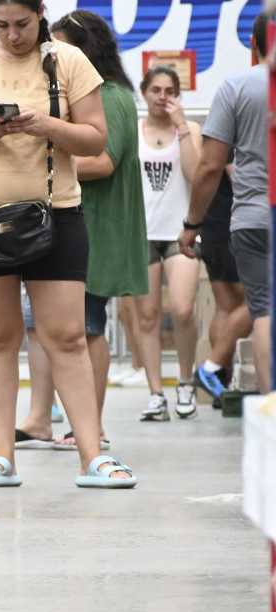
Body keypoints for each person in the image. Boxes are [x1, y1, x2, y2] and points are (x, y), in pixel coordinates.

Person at [0, 0, 136, 488]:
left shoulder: (68, 62)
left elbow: (95, 140)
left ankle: (91, 455)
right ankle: (1, 455)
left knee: (67, 336)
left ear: (41, 14)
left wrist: (46, 125)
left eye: (22, 24)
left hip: (58, 215)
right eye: (1, 25)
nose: (12, 35)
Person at [17, 10, 149, 451]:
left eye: (61, 46)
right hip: (68, 226)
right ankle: (40, 419)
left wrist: (46, 159)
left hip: (98, 229)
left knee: (87, 328)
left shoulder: (109, 96)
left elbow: (103, 161)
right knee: (45, 327)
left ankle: (90, 426)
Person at [179, 12, 272, 394]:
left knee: (265, 309)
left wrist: (192, 224)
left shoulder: (236, 87)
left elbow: (209, 166)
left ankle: (271, 407)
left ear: (253, 45)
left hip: (253, 217)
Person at [135, 65, 203, 420]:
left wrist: (181, 127)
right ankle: (156, 393)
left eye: (170, 91)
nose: (163, 97)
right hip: (142, 232)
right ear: (144, 92)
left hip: (180, 232)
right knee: (146, 317)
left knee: (182, 308)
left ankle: (187, 380)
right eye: (156, 90)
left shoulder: (189, 130)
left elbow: (196, 174)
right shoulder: (135, 131)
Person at [193, 169, 252, 402]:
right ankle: (211, 369)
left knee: (226, 307)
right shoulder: (232, 133)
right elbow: (231, 171)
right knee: (259, 301)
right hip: (235, 219)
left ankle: (221, 387)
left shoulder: (207, 132)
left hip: (216, 218)